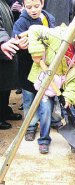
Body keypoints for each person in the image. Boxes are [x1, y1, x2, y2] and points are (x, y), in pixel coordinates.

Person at [27, 16, 75, 154]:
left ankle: (74, 141)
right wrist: (36, 51)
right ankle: (44, 140)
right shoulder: (58, 36)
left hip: (64, 84)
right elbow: (34, 29)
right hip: (47, 81)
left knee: (69, 109)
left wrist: (69, 95)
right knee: (46, 111)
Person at [12, 0, 56, 141]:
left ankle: (52, 120)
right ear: (24, 6)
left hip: (45, 67)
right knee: (29, 99)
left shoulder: (48, 18)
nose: (33, 10)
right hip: (27, 69)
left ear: (42, 3)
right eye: (29, 7)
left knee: (48, 96)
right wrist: (19, 45)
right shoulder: (21, 23)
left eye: (36, 6)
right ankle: (30, 126)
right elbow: (15, 41)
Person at [0, 0, 22, 130]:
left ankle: (5, 110)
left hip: (6, 50)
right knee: (1, 85)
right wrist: (3, 40)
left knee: (6, 84)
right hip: (2, 48)